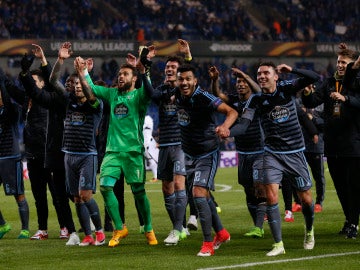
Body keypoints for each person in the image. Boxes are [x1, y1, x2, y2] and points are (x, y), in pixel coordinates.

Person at [227, 61, 320, 256]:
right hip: (271, 154)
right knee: (270, 196)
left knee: (306, 200)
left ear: (275, 76)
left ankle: (309, 230)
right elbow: (243, 125)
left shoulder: (287, 88)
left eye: (266, 73)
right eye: (259, 73)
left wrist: (292, 70)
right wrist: (227, 131)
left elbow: (314, 78)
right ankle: (278, 244)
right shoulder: (256, 100)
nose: (261, 76)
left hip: (294, 153)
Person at [75, 47, 158, 247]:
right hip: (112, 152)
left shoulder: (139, 96)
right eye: (119, 74)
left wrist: (143, 68)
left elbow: (149, 90)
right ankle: (120, 228)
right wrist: (84, 72)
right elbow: (93, 89)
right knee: (104, 187)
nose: (121, 77)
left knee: (139, 192)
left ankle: (148, 227)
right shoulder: (112, 94)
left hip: (132, 152)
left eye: (125, 74)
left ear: (134, 78)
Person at [8, 44, 71, 240]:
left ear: (42, 84)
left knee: (57, 195)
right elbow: (11, 88)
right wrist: (24, 71)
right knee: (38, 195)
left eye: (36, 81)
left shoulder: (49, 99)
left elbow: (52, 81)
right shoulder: (29, 98)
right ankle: (42, 229)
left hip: (48, 152)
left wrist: (46, 61)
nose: (33, 85)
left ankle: (64, 227)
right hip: (33, 153)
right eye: (31, 82)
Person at [175, 64, 238, 256]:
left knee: (198, 194)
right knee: (206, 197)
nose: (184, 82)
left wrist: (225, 127)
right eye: (181, 79)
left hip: (207, 153)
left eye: (188, 79)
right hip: (189, 154)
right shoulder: (177, 95)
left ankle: (207, 243)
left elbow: (232, 112)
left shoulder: (204, 97)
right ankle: (222, 233)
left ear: (195, 81)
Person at [48, 42, 105, 246]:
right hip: (68, 154)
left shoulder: (96, 105)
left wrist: (82, 73)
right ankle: (87, 235)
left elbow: (91, 95)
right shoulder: (68, 100)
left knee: (86, 195)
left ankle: (100, 232)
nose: (78, 87)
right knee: (76, 198)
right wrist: (61, 60)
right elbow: (53, 80)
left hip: (87, 155)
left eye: (81, 84)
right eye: (76, 85)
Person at [302, 44, 360, 239]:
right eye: (338, 62)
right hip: (333, 143)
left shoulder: (356, 82)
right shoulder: (328, 82)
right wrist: (308, 92)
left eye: (344, 62)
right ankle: (349, 220)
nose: (340, 65)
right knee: (341, 187)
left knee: (353, 186)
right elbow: (311, 102)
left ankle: (353, 222)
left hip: (353, 142)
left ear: (353, 65)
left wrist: (345, 99)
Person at [209, 65, 267, 239]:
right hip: (242, 152)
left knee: (259, 187)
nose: (241, 84)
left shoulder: (257, 99)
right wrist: (214, 80)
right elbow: (217, 95)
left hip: (259, 150)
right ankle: (256, 225)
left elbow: (260, 91)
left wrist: (246, 75)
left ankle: (259, 226)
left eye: (243, 82)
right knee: (248, 189)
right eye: (238, 82)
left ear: (249, 84)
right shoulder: (234, 100)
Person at [148, 39, 192, 246]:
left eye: (173, 67)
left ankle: (176, 230)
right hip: (164, 143)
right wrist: (145, 66)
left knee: (178, 183)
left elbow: (192, 77)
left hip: (182, 142)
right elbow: (150, 94)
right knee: (166, 188)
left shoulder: (185, 90)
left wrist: (188, 57)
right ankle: (181, 225)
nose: (169, 69)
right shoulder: (162, 90)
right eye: (167, 67)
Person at [0, 69, 30, 239]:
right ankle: (3, 225)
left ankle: (25, 229)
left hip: (11, 157)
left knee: (18, 194)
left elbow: (6, 97)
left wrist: (2, 83)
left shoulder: (12, 110)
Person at [143, 114, 159, 182]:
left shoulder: (147, 118)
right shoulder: (148, 118)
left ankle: (156, 176)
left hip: (147, 141)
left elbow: (146, 131)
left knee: (151, 159)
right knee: (151, 159)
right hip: (148, 141)